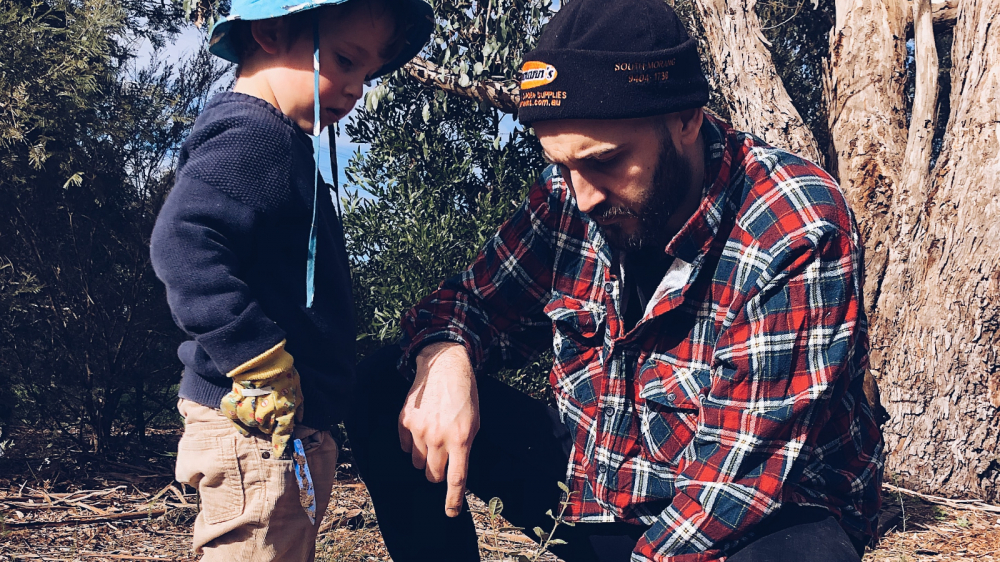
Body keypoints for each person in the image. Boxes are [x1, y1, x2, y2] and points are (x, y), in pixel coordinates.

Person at [346, 1, 885, 561]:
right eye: (562, 165)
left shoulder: (793, 228)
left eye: (605, 161)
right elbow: (466, 304)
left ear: (686, 119)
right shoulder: (570, 198)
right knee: (388, 384)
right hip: (595, 492)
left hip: (749, 518)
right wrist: (448, 355)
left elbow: (736, 487)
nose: (583, 195)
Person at [149, 0, 432, 559]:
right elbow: (182, 243)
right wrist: (256, 360)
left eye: (368, 71)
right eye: (346, 60)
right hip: (252, 428)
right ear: (271, 30)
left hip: (277, 432)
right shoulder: (254, 137)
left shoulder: (279, 141)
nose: (357, 87)